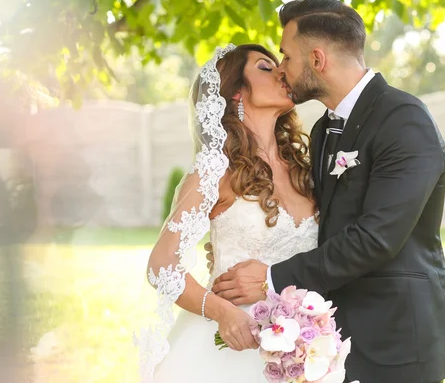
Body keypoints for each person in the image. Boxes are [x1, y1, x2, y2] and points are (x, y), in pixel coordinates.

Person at [212, 0, 445, 383]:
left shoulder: (403, 121)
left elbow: (376, 239)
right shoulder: (324, 131)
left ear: (317, 58)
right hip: (330, 342)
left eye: (286, 57)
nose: (282, 70)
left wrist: (270, 278)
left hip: (397, 342)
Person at [135, 44, 320, 383]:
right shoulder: (214, 172)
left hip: (305, 347)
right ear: (235, 91)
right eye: (266, 67)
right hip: (230, 347)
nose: (282, 71)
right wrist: (223, 313)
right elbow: (162, 266)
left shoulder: (305, 169)